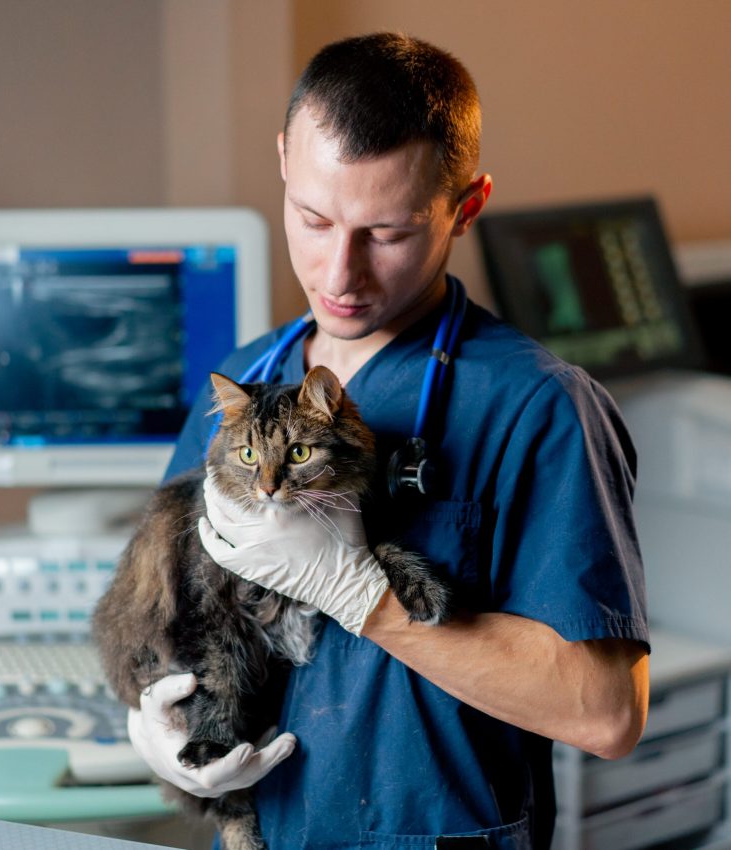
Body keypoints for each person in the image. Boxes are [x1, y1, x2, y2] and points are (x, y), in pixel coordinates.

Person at [127, 32, 650, 850]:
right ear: (283, 163)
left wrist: (365, 597)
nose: (341, 273)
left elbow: (606, 712)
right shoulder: (242, 379)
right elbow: (169, 610)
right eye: (313, 217)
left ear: (465, 206)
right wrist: (151, 727)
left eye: (389, 233)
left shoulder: (537, 407)